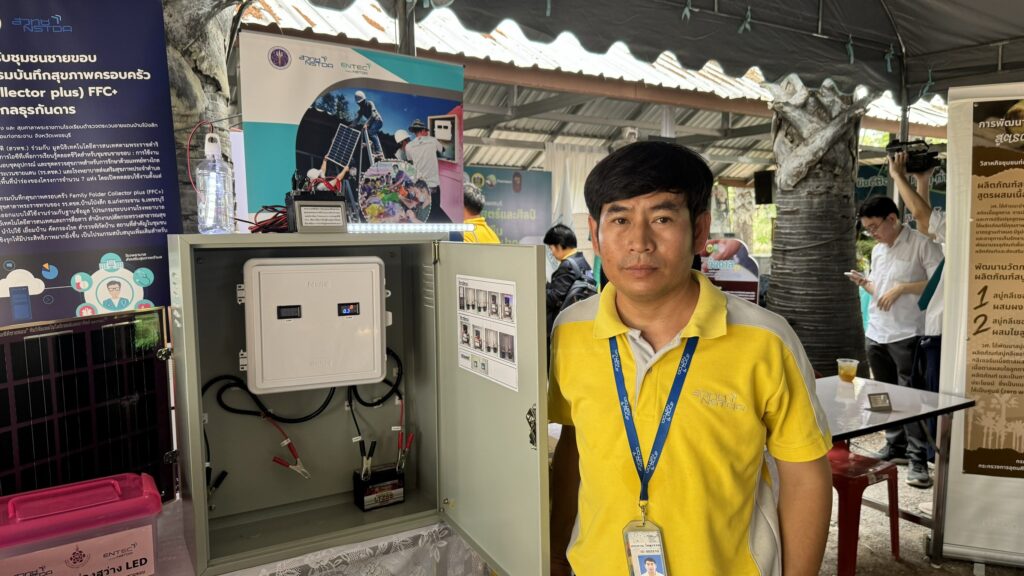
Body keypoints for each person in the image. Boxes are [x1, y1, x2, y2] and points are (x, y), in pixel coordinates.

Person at [549, 141, 832, 576]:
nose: (639, 242)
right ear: (594, 232)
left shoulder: (766, 341)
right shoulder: (571, 330)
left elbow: (804, 475)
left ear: (700, 231)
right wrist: (555, 555)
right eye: (620, 219)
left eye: (662, 218)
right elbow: (574, 444)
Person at [848, 195, 942, 488]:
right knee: (882, 394)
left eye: (875, 227)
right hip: (876, 331)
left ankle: (917, 458)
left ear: (892, 218)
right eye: (867, 229)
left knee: (910, 397)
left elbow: (939, 282)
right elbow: (880, 290)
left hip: (907, 333)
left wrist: (903, 288)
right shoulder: (878, 251)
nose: (872, 233)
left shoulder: (921, 245)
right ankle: (894, 444)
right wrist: (865, 283)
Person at [890, 150, 944, 476]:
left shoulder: (967, 224)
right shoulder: (954, 233)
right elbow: (928, 229)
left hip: (943, 334)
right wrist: (923, 180)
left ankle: (924, 460)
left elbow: (924, 219)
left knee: (933, 407)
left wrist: (899, 176)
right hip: (934, 332)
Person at [544, 224, 593, 336]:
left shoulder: (567, 266)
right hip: (580, 319)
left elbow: (554, 298)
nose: (552, 253)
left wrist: (541, 287)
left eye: (551, 248)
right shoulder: (581, 260)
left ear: (559, 245)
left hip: (563, 325)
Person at [400, 119, 451, 223]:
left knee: (425, 215)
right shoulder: (432, 140)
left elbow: (410, 159)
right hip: (433, 186)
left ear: (414, 132)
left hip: (420, 187)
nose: (427, 133)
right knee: (436, 215)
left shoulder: (409, 146)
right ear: (423, 130)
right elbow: (443, 150)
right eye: (426, 131)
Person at [353, 90, 384, 162]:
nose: (361, 105)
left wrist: (367, 124)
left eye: (362, 102)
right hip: (372, 123)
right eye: (359, 103)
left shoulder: (370, 103)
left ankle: (379, 151)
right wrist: (352, 125)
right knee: (364, 130)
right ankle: (369, 142)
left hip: (378, 120)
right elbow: (357, 119)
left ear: (364, 100)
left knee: (371, 132)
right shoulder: (361, 110)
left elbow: (373, 115)